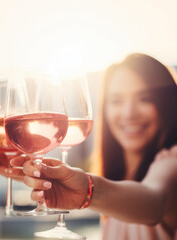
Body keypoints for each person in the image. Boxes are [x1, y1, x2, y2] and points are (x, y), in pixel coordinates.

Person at [12, 53, 177, 240]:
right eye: (116, 101)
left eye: (145, 99)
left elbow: (155, 202)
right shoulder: (118, 175)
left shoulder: (172, 162)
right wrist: (33, 173)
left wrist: (88, 191)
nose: (129, 113)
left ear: (168, 104)